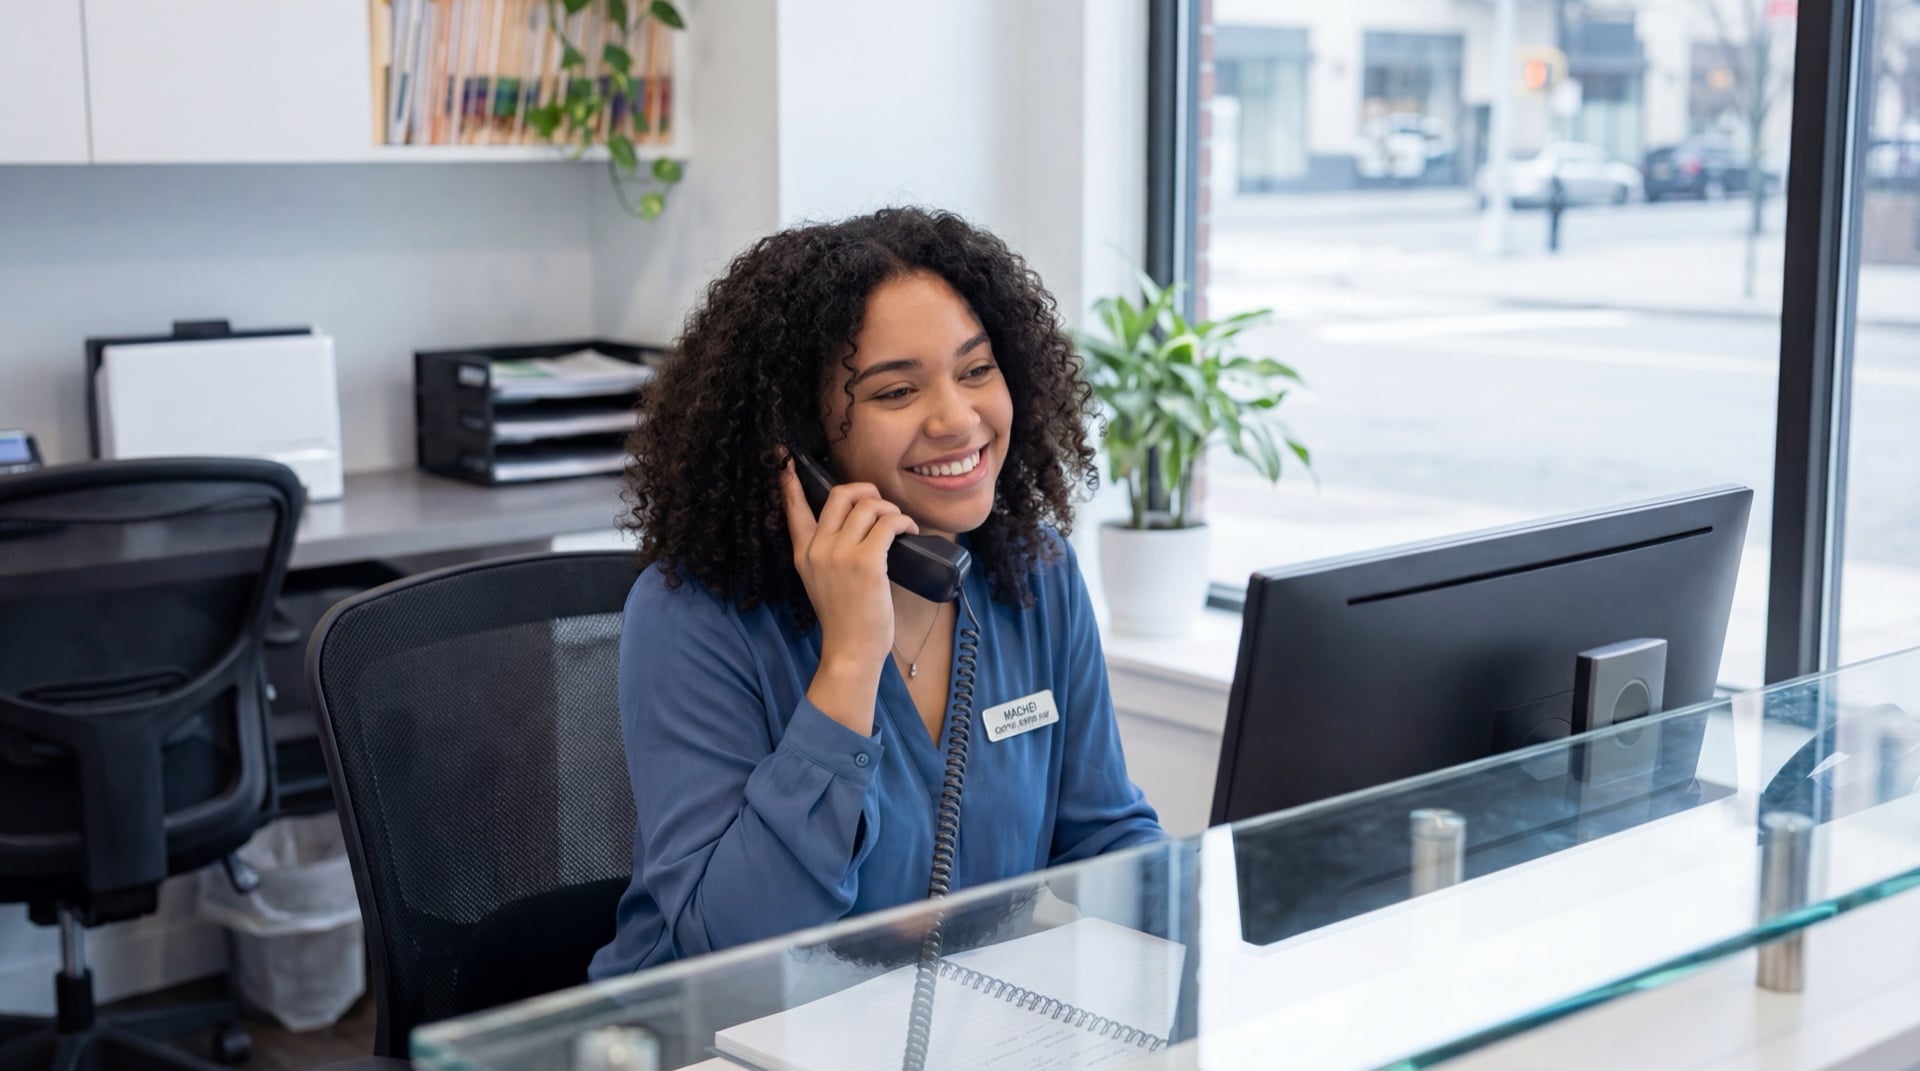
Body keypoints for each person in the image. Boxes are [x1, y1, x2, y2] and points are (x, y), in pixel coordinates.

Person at [587, 207, 1165, 977]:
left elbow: (1103, 837)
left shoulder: (1034, 572)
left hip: (955, 1033)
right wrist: (852, 657)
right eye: (896, 392)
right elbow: (728, 946)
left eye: (976, 370)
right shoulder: (695, 614)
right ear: (802, 442)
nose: (958, 420)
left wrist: (1217, 935)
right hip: (722, 1042)